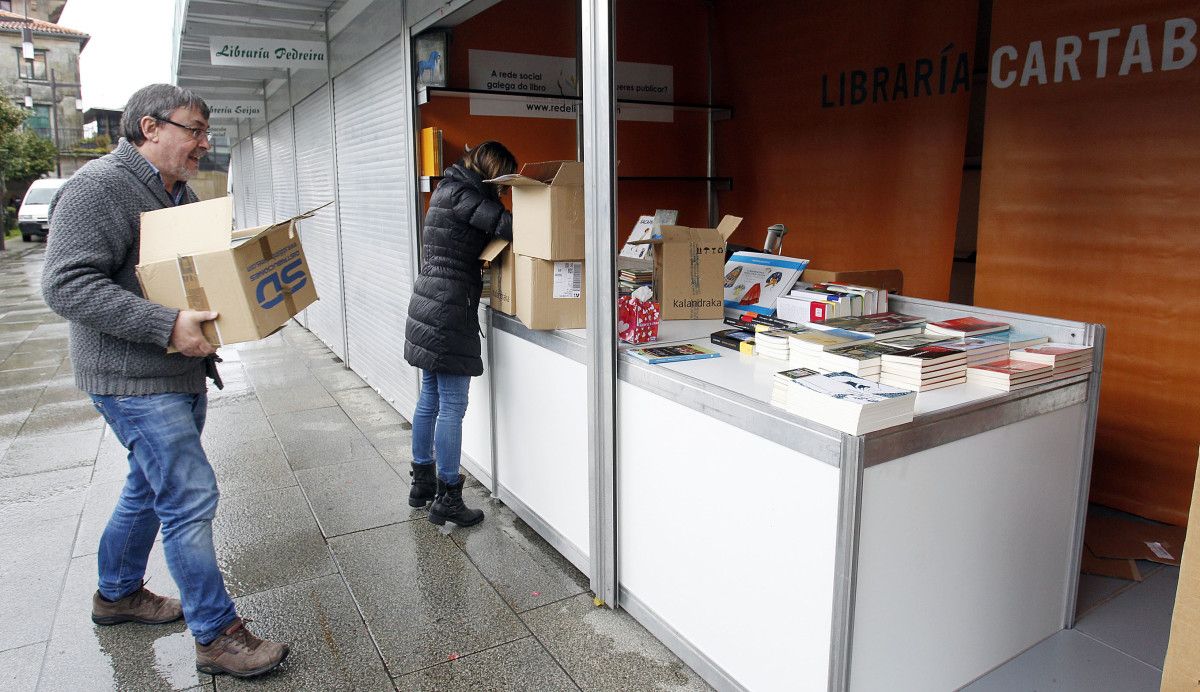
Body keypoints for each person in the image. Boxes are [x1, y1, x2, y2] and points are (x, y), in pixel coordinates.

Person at [41, 84, 289, 679]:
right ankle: (216, 634)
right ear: (150, 127)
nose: (204, 143)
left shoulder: (174, 193)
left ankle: (117, 593)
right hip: (133, 379)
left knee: (148, 489)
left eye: (206, 132)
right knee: (189, 496)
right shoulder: (99, 187)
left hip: (176, 371)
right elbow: (66, 285)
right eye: (194, 130)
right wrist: (166, 324)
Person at [404, 141, 518, 527]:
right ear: (491, 170)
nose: (502, 192)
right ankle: (449, 497)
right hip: (449, 305)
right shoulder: (464, 194)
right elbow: (507, 226)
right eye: (502, 183)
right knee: (452, 403)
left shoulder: (447, 187)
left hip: (430, 298)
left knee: (431, 397)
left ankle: (422, 484)